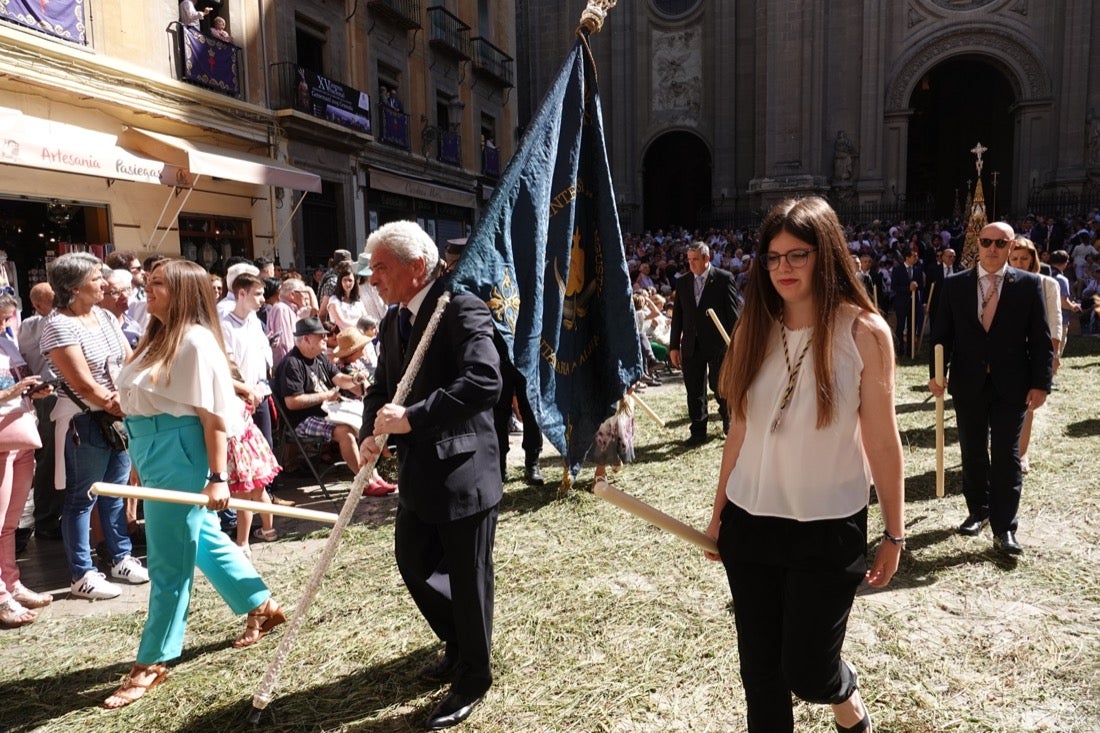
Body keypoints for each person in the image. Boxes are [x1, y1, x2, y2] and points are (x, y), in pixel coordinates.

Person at [704, 197, 904, 733]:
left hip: (827, 527)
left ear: (827, 254)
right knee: (761, 673)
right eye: (771, 258)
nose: (782, 269)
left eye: (797, 255)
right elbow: (740, 430)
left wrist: (894, 533)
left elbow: (883, 442)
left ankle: (843, 694)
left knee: (809, 669)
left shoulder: (864, 332)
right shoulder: (755, 326)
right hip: (751, 522)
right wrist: (719, 512)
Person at [101, 259, 285, 709]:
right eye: (149, 281)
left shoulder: (196, 341)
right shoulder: (156, 335)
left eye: (159, 284)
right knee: (197, 539)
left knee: (168, 562)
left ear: (182, 291)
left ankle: (151, 661)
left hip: (179, 451)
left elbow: (213, 418)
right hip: (151, 447)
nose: (148, 288)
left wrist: (218, 477)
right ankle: (260, 603)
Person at [359, 220, 502, 730]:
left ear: (416, 267)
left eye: (381, 268)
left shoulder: (460, 307)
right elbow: (382, 386)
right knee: (414, 560)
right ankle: (460, 640)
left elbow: (484, 381)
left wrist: (414, 417)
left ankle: (474, 674)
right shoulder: (395, 321)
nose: (372, 278)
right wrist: (369, 432)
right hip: (419, 472)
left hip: (464, 469)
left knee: (468, 577)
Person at [928, 221, 1052, 556]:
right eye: (986, 242)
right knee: (972, 450)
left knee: (1006, 456)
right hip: (968, 383)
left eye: (1001, 243)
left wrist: (1041, 384)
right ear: (977, 244)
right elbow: (941, 334)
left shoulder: (1027, 284)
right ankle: (977, 510)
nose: (993, 249)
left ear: (1012, 247)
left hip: (1012, 384)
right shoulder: (955, 285)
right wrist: (935, 374)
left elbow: (1040, 339)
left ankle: (1005, 527)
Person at [41, 253, 148, 600]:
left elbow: (127, 359)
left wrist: (134, 394)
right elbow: (83, 384)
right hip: (84, 419)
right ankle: (82, 573)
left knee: (116, 492)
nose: (104, 283)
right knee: (81, 498)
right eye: (96, 278)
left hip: (116, 415)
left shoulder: (103, 315)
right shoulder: (58, 325)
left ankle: (120, 557)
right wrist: (120, 405)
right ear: (74, 287)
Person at [0, 299, 54, 627]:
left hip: (21, 434)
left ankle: (11, 583)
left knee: (11, 521)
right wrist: (11, 393)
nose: (5, 322)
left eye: (6, 317)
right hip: (4, 438)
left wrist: (30, 392)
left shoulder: (7, 339)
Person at [272, 317, 364, 479]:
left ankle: (373, 475)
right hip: (302, 420)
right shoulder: (292, 363)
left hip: (327, 412)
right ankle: (364, 480)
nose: (325, 338)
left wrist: (355, 380)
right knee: (345, 432)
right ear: (306, 338)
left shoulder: (320, 358)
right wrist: (326, 396)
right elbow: (292, 403)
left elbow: (339, 378)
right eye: (320, 335)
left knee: (366, 417)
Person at [669, 241, 740, 445]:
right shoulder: (683, 283)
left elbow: (732, 315)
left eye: (695, 260)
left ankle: (728, 421)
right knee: (694, 389)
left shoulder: (723, 279)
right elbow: (678, 317)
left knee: (721, 385)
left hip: (718, 344)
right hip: (691, 344)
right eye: (689, 260)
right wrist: (674, 346)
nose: (691, 264)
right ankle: (698, 430)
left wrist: (734, 343)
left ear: (706, 258)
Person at [1008, 237, 1061, 475]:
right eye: (1015, 258)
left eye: (1024, 259)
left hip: (1035, 353)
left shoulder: (1047, 284)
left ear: (1033, 260)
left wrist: (1053, 354)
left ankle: (1022, 453)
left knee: (1026, 406)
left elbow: (1054, 321)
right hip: (1006, 354)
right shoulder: (1000, 283)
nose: (1019, 263)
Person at [16, 283, 62, 540]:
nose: (58, 304)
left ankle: (53, 515)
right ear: (37, 305)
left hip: (56, 393)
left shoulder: (27, 326)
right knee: (50, 457)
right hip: (49, 393)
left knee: (58, 456)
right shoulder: (38, 325)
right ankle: (45, 519)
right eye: (52, 300)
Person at [890, 248, 924, 357]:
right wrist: (908, 288)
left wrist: (916, 286)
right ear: (907, 257)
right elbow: (894, 287)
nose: (916, 258)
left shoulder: (918, 270)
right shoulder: (897, 270)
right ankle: (899, 350)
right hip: (901, 302)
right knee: (900, 326)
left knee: (912, 326)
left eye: (916, 256)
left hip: (914, 303)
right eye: (914, 256)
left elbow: (921, 286)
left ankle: (910, 351)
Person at [325, 260, 367, 332]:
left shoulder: (358, 301)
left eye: (350, 280)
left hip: (360, 338)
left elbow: (365, 318)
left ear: (354, 282)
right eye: (344, 280)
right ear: (340, 281)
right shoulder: (334, 301)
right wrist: (359, 326)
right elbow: (341, 322)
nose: (347, 283)